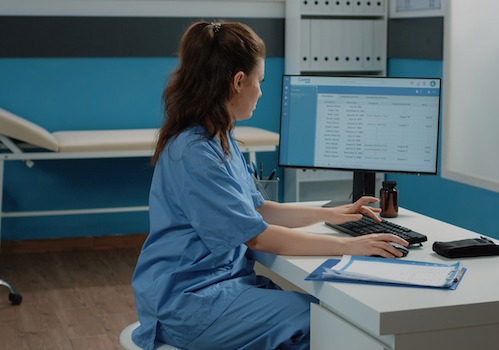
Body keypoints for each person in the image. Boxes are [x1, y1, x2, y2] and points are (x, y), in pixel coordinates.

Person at [131, 21, 408, 350]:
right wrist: (350, 247)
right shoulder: (196, 152)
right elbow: (258, 234)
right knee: (320, 320)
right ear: (238, 81)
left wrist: (333, 214)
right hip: (188, 301)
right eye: (259, 81)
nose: (261, 91)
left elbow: (258, 209)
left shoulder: (220, 136)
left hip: (217, 286)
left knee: (315, 318)